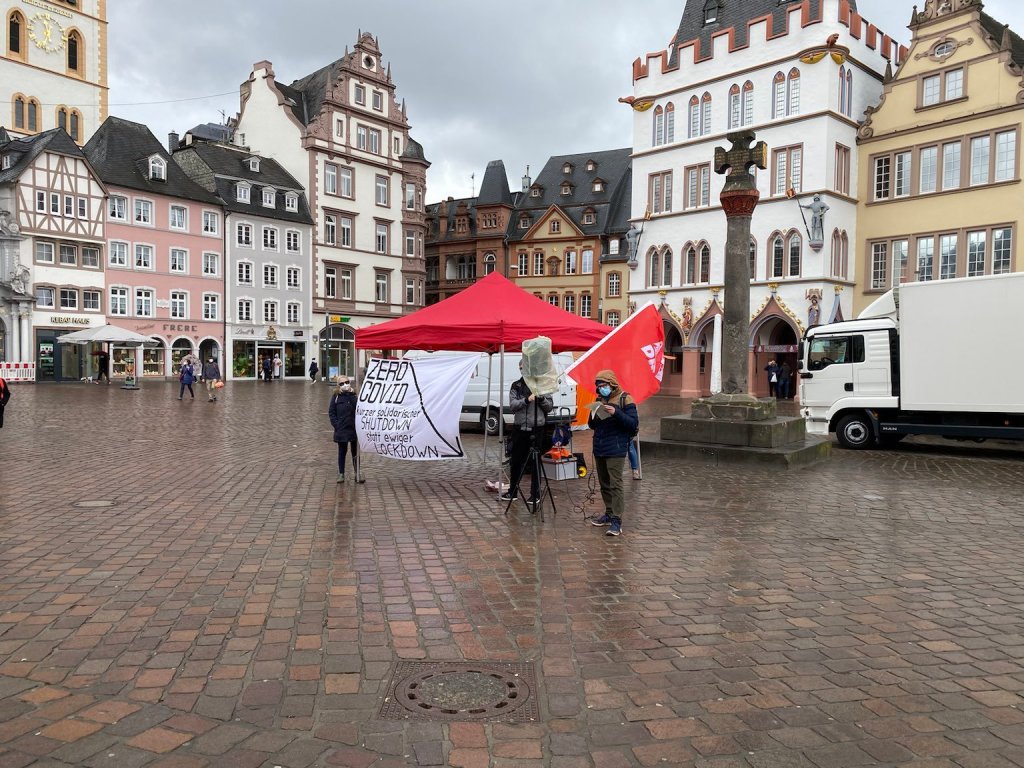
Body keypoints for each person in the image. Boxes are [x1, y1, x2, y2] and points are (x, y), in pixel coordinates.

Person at [589, 369, 638, 537]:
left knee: (615, 483)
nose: (601, 389)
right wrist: (594, 413)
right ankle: (609, 513)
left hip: (616, 447)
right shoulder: (599, 399)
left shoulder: (625, 398)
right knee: (604, 483)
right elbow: (592, 425)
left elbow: (633, 424)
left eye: (603, 385)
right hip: (600, 446)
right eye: (598, 386)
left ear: (612, 384)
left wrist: (616, 412)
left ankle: (617, 520)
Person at [500, 362, 554, 507]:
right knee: (516, 461)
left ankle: (535, 494)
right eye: (521, 368)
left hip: (537, 428)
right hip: (519, 428)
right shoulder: (516, 386)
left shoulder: (542, 385)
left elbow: (549, 407)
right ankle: (513, 491)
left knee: (535, 461)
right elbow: (513, 405)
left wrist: (541, 399)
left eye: (526, 368)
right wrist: (526, 400)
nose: (523, 370)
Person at [329, 376, 360, 483]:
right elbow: (332, 412)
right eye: (342, 383)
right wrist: (337, 425)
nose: (345, 385)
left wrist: (352, 395)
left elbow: (358, 408)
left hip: (353, 428)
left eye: (346, 382)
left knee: (355, 452)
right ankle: (341, 473)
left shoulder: (354, 395)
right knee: (342, 451)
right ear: (338, 385)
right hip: (341, 429)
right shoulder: (336, 396)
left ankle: (357, 472)